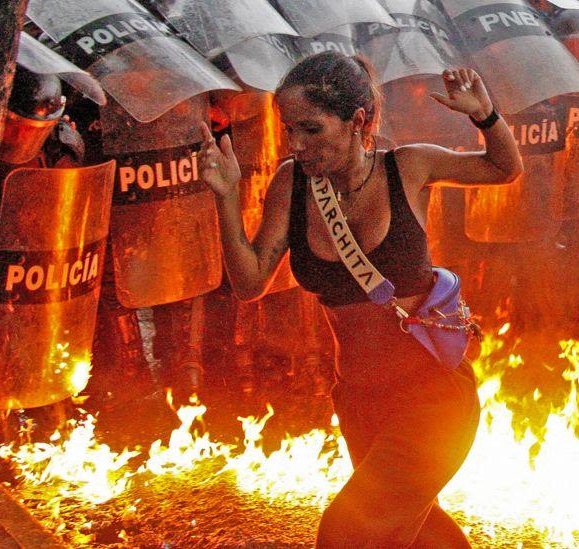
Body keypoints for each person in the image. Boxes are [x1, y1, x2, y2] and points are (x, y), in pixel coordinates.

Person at [200, 51, 522, 547]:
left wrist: (485, 114)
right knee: (416, 535)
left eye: (311, 130)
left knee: (346, 533)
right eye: (289, 130)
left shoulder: (409, 166)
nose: (296, 145)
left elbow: (504, 169)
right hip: (360, 401)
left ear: (358, 121)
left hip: (432, 399)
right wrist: (225, 197)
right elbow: (250, 283)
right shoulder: (292, 182)